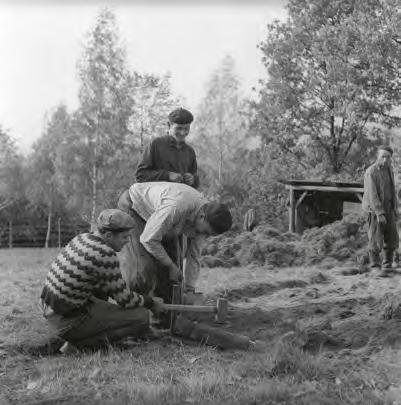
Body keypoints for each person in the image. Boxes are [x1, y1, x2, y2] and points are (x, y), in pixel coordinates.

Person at [39, 209, 164, 352]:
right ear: (109, 235)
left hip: (51, 307)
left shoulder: (82, 238)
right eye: (124, 237)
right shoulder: (105, 253)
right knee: (141, 316)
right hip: (67, 319)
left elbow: (105, 288)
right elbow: (125, 300)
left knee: (104, 294)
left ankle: (77, 338)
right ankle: (80, 345)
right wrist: (151, 302)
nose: (128, 242)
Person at [117, 182, 232, 325]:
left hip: (164, 218)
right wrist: (170, 265)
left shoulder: (205, 218)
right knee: (143, 268)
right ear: (202, 216)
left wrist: (189, 289)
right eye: (205, 232)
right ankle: (131, 319)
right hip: (136, 207)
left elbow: (194, 256)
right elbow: (148, 239)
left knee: (173, 275)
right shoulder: (177, 207)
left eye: (208, 234)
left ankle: (164, 318)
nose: (203, 235)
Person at [135, 107, 199, 188]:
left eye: (187, 128)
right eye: (179, 128)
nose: (183, 133)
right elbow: (140, 175)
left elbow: (195, 182)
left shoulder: (190, 151)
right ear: (169, 125)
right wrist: (167, 175)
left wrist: (193, 180)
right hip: (157, 197)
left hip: (181, 196)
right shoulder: (155, 144)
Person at [362, 145, 399, 277]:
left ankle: (387, 265)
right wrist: (379, 213)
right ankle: (374, 266)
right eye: (383, 156)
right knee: (376, 237)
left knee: (392, 236)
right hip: (374, 210)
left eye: (388, 157)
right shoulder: (371, 172)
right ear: (377, 156)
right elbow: (372, 194)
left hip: (389, 208)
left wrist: (395, 207)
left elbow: (393, 190)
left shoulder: (389, 170)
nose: (385, 160)